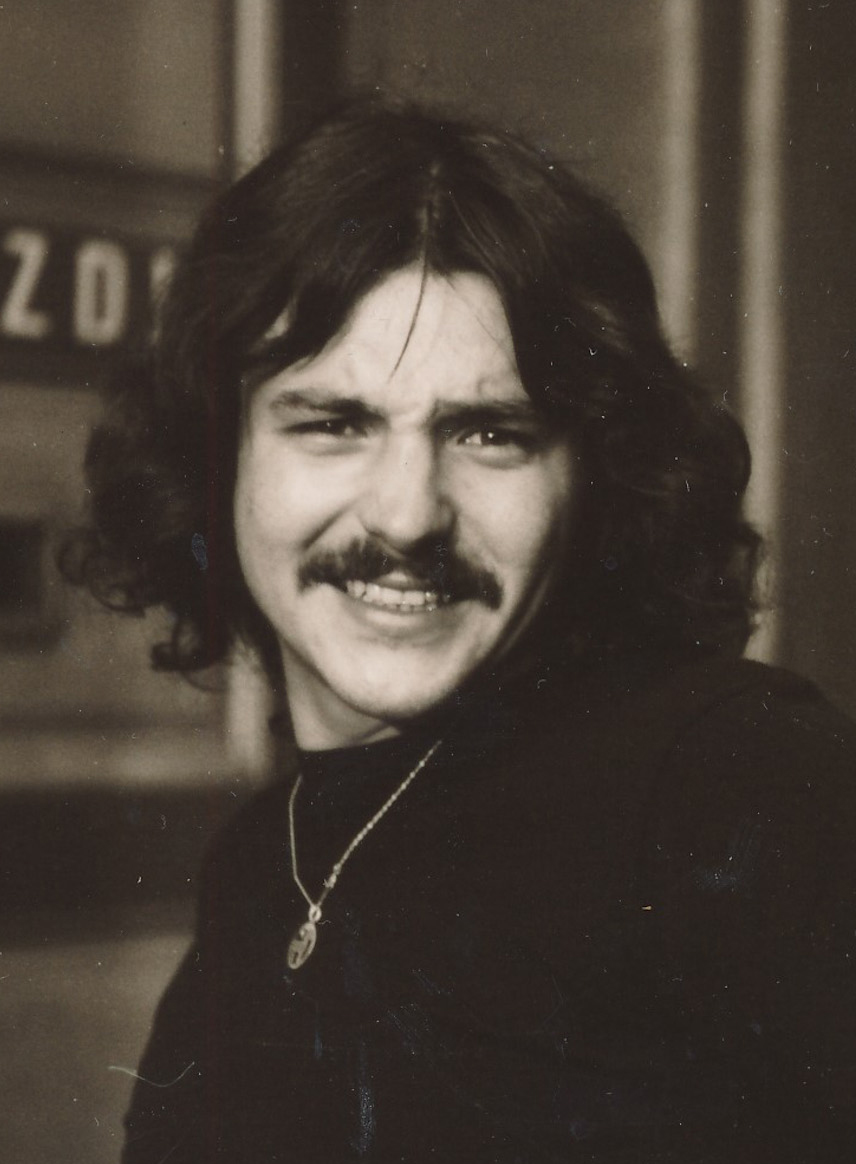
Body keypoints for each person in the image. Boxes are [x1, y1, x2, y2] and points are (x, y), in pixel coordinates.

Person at [66, 97, 856, 1161]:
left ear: (594, 473)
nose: (407, 517)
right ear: (218, 456)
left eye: (489, 433)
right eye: (334, 424)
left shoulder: (731, 775)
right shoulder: (261, 861)